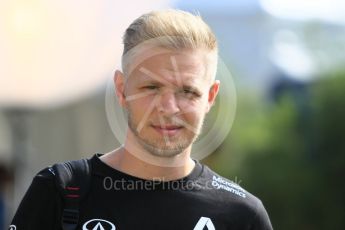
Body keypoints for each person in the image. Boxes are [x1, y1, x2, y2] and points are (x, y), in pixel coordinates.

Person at [9, 9, 273, 230]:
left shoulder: (242, 216)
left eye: (187, 91)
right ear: (122, 90)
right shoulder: (61, 191)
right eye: (152, 88)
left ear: (211, 97)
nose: (169, 108)